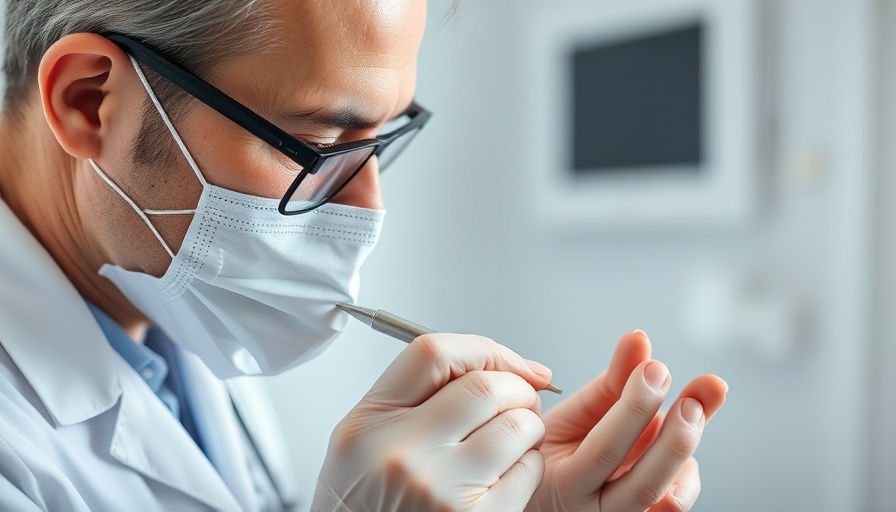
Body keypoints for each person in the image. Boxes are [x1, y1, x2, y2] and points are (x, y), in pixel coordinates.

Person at [0, 0, 728, 511]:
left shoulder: (173, 290)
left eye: (382, 138)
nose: (368, 211)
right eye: (318, 146)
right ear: (89, 100)